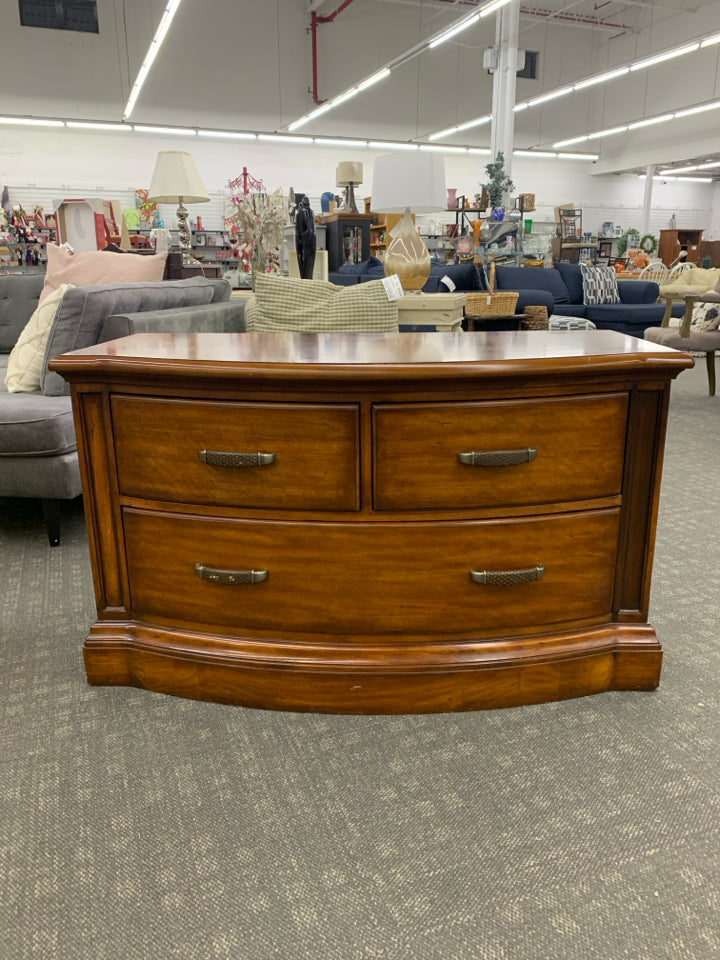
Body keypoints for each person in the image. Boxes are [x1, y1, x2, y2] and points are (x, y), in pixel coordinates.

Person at [295, 195, 316, 280]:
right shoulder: (307, 213)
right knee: (306, 263)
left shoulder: (303, 213)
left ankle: (305, 279)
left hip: (307, 240)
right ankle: (306, 279)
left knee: (306, 263)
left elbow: (307, 228)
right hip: (307, 240)